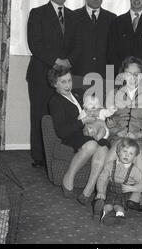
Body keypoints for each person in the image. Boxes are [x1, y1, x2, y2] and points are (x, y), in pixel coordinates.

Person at [26, 0, 75, 168]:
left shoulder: (73, 16)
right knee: (40, 115)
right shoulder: (37, 13)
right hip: (40, 75)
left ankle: (56, 157)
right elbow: (34, 44)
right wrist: (57, 61)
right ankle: (39, 157)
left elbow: (78, 44)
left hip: (65, 77)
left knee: (60, 117)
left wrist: (69, 61)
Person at [47, 66, 109, 205]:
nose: (68, 85)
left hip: (89, 130)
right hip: (72, 134)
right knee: (92, 144)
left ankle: (89, 189)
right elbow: (61, 131)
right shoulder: (55, 101)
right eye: (63, 82)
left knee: (103, 146)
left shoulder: (78, 94)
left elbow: (94, 106)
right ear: (54, 83)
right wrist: (82, 122)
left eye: (69, 80)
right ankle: (68, 177)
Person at [103, 56, 142, 209]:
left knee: (138, 153)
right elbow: (108, 119)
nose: (132, 78)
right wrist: (117, 130)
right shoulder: (113, 94)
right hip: (118, 136)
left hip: (138, 137)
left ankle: (137, 194)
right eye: (128, 73)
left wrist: (138, 135)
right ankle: (105, 190)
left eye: (136, 74)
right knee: (115, 150)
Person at [93, 138, 142, 225]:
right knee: (108, 206)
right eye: (125, 151)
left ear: (134, 157)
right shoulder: (110, 165)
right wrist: (100, 191)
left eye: (131, 153)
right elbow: (102, 179)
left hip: (124, 194)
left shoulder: (135, 170)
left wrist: (132, 188)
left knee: (119, 207)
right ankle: (102, 214)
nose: (127, 155)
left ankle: (119, 217)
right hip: (110, 192)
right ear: (118, 152)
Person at [70, 0, 117, 78]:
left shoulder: (112, 18)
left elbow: (114, 50)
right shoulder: (73, 17)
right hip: (79, 72)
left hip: (105, 74)